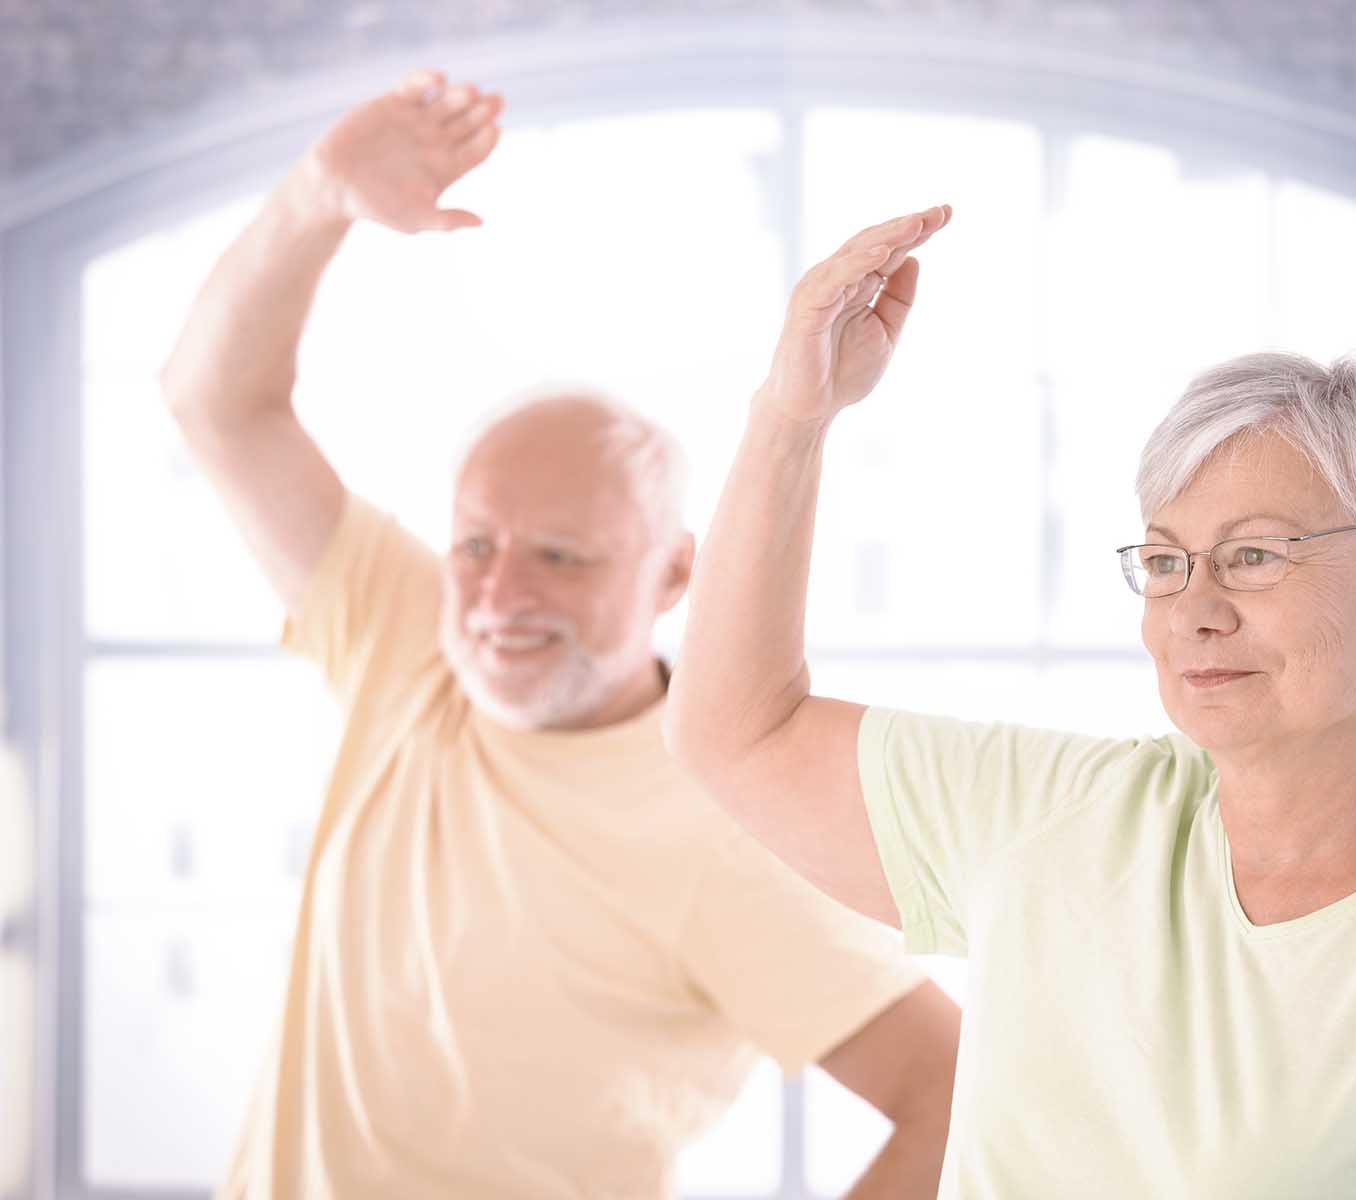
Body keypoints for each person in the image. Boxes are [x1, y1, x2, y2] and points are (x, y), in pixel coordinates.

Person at [664, 208, 1356, 1197]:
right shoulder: (1047, 821)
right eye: (1164, 561)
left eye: (1256, 557)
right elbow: (736, 730)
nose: (1194, 609)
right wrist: (792, 416)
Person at [160, 73, 958, 1200]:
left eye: (564, 557)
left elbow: (954, 1097)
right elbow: (217, 401)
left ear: (674, 572)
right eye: (477, 545)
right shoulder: (413, 645)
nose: (497, 597)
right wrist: (316, 198)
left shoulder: (734, 830)